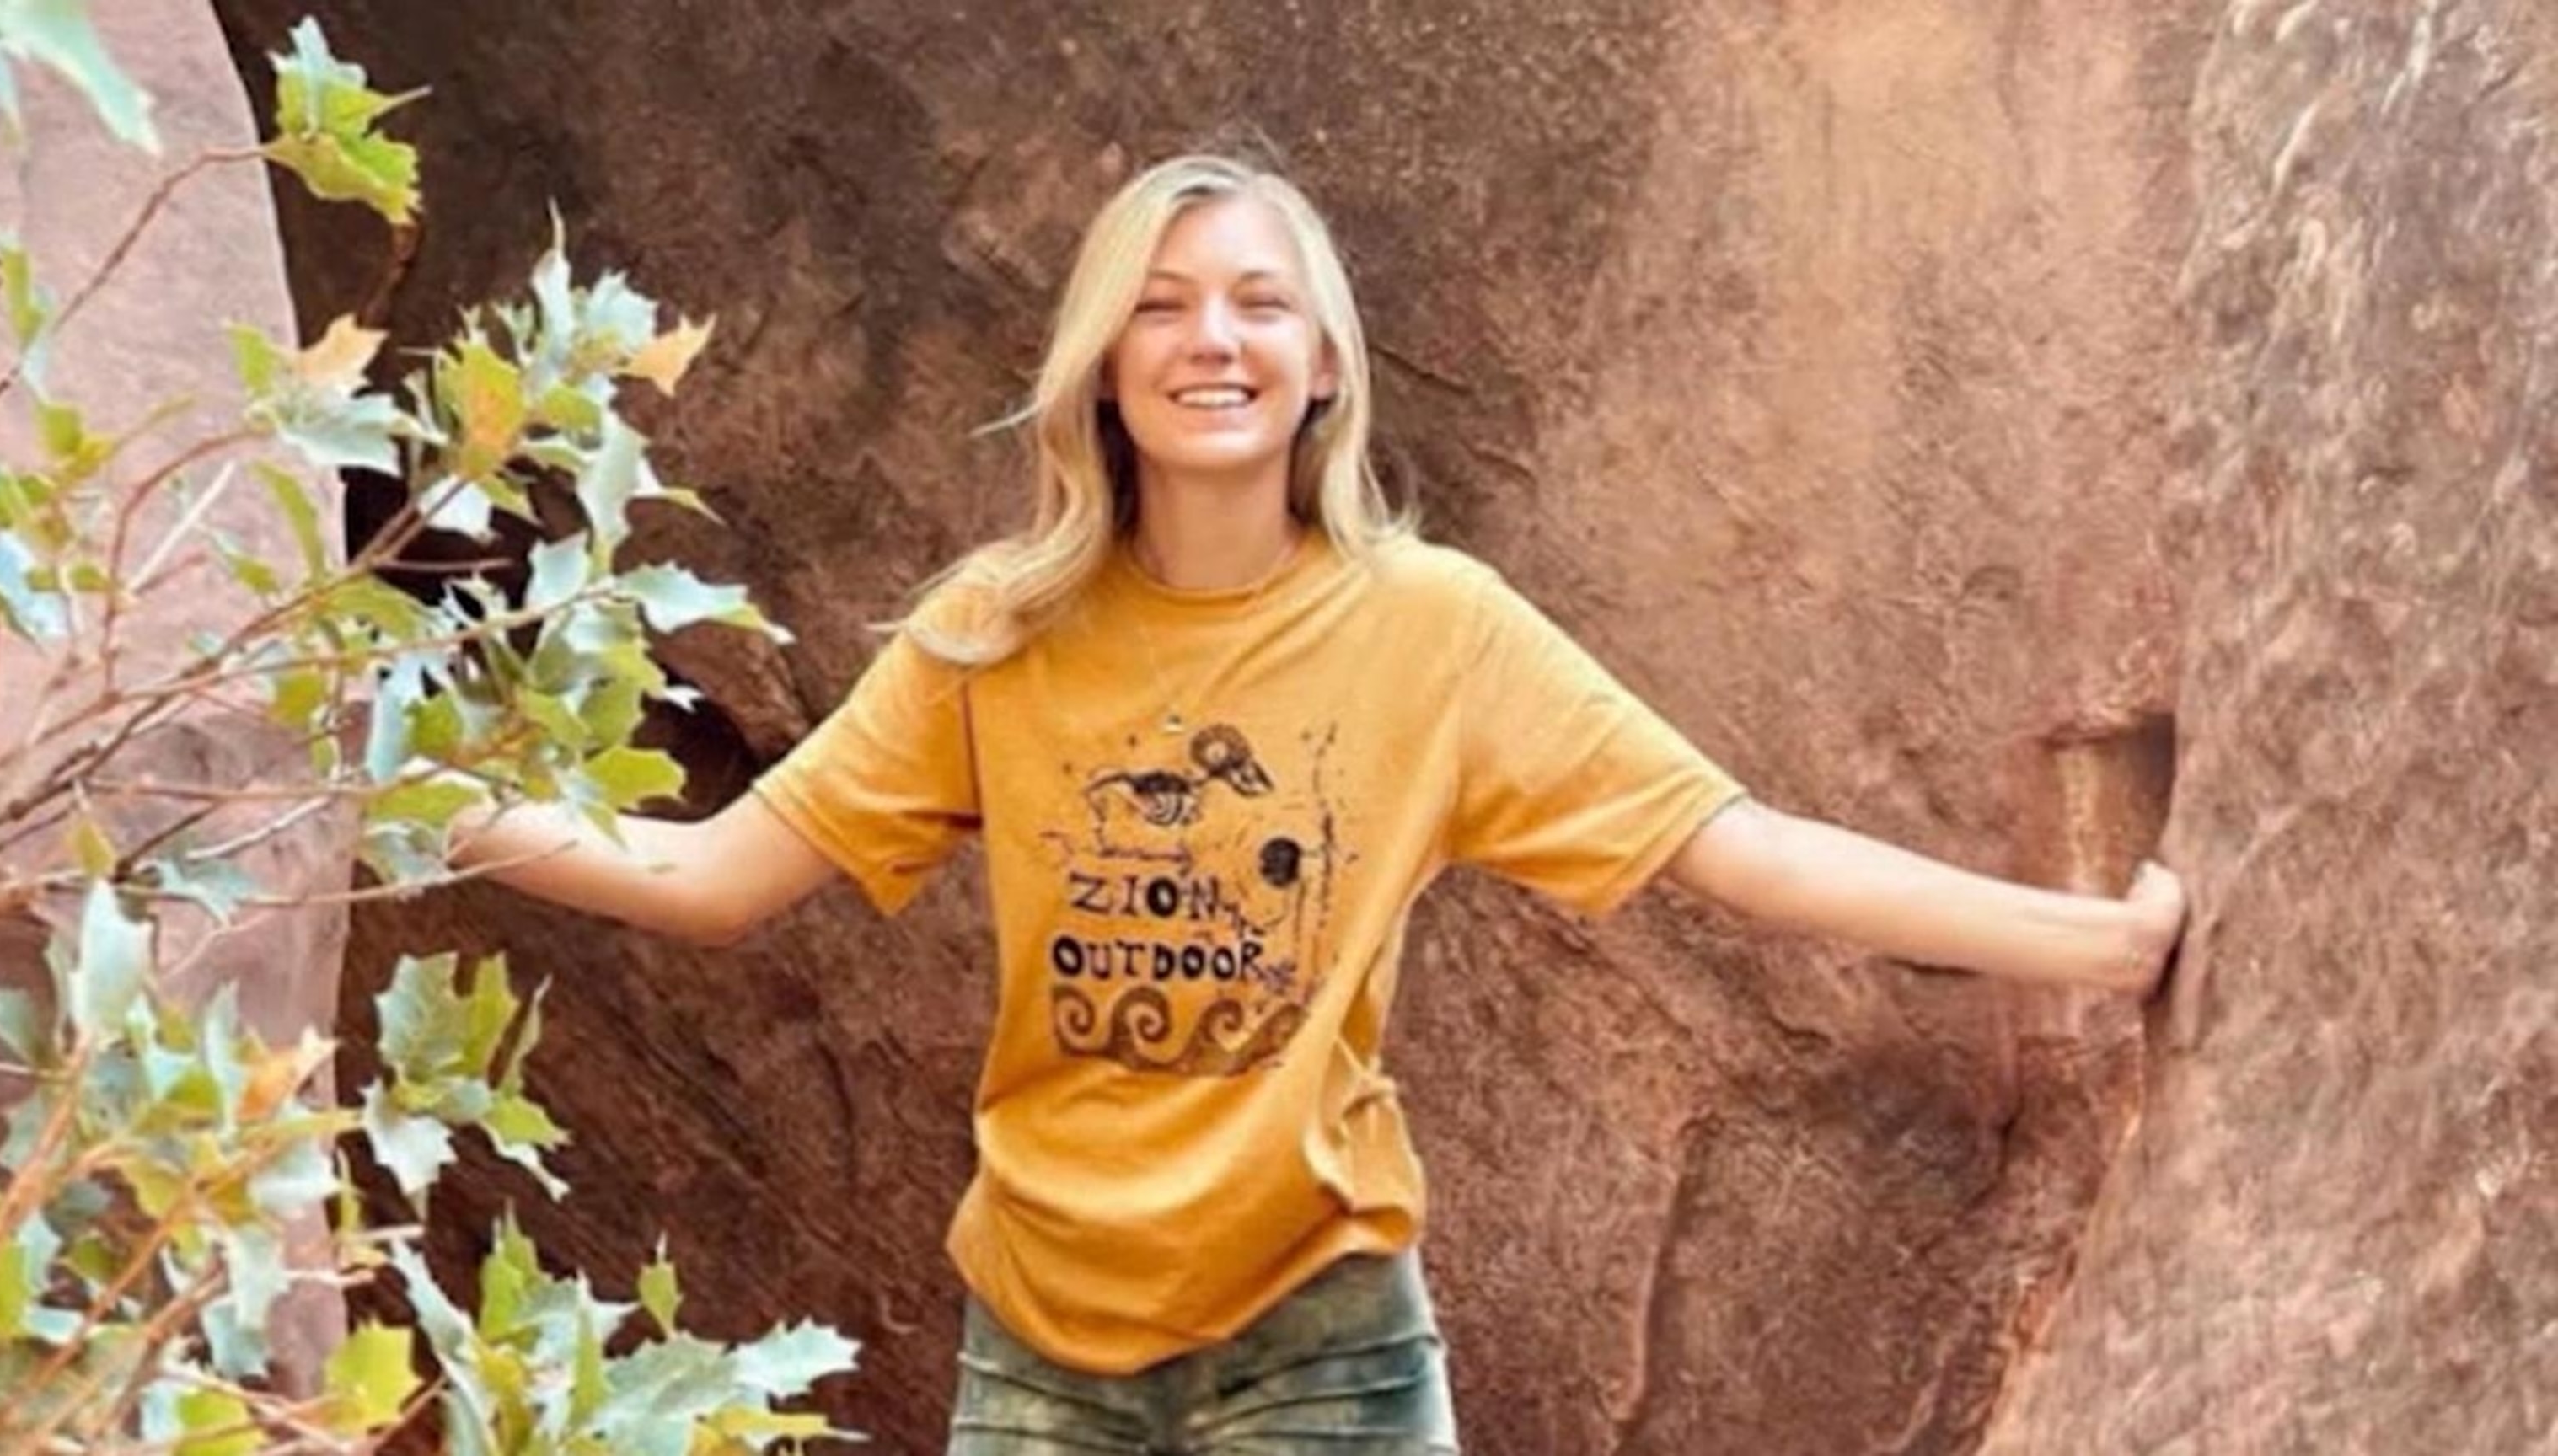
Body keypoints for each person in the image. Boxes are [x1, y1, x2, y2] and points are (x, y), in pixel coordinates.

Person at [451, 153, 2190, 1454]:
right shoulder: (999, 632)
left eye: (1259, 303)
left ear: (1327, 363)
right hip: (1040, 1345)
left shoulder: (1432, 631)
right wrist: (387, 809)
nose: (1211, 339)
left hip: (1322, 1345)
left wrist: (2096, 946)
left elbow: (1739, 850)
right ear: (1102, 366)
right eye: (1160, 304)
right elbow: (709, 875)